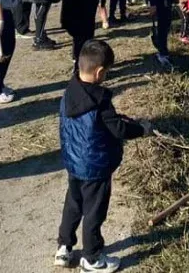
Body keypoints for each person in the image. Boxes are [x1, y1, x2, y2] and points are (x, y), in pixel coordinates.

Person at [55, 40, 151, 272]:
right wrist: (141, 129)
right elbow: (118, 129)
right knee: (94, 212)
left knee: (73, 204)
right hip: (95, 167)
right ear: (99, 72)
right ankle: (92, 257)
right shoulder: (100, 101)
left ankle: (64, 248)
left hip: (74, 162)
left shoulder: (70, 91)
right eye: (106, 72)